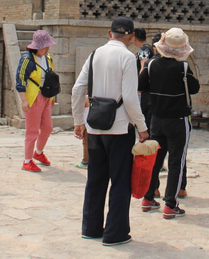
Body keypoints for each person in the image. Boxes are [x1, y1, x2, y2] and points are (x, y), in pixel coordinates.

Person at [70, 16, 149, 246]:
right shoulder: (128, 58)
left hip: (95, 127)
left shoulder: (95, 54)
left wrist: (78, 120)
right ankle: (115, 233)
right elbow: (130, 99)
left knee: (95, 179)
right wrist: (143, 128)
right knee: (120, 181)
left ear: (109, 33)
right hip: (120, 128)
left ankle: (91, 228)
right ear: (131, 37)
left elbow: (77, 89)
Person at [139, 28, 200, 219]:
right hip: (178, 120)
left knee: (155, 159)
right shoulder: (183, 68)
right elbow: (195, 88)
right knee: (176, 162)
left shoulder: (151, 65)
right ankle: (171, 204)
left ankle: (148, 198)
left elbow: (141, 85)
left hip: (156, 119)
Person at [16, 30, 57, 173]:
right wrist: (24, 100)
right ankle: (27, 161)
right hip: (33, 97)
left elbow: (50, 77)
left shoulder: (47, 58)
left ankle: (38, 152)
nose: (47, 49)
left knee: (47, 127)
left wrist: (51, 97)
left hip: (45, 96)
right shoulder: (28, 59)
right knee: (32, 130)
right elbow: (20, 79)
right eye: (45, 46)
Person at [134, 27, 154, 130]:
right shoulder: (150, 48)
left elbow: (143, 67)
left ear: (134, 38)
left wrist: (139, 84)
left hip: (145, 90)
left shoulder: (143, 49)